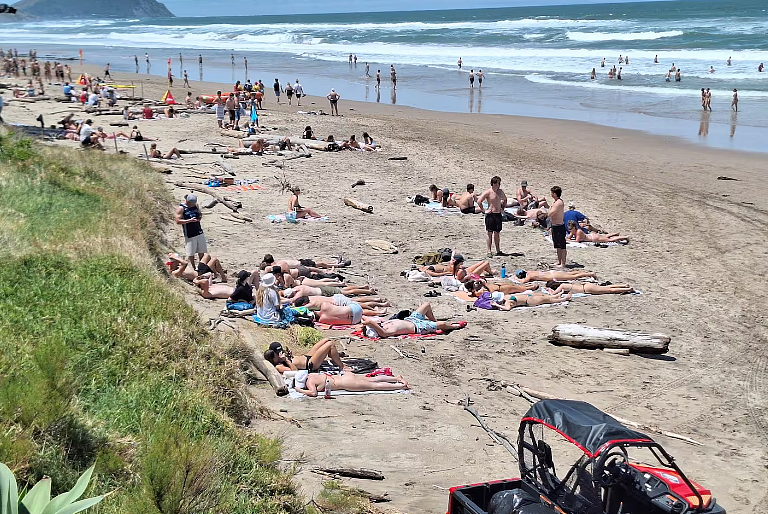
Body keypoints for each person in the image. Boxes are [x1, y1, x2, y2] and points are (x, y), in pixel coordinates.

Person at [361, 303, 466, 339]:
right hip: (418, 327)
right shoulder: (385, 331)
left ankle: (434, 325)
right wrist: (370, 323)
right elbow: (382, 334)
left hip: (411, 319)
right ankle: (454, 326)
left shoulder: (383, 324)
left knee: (426, 305)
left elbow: (365, 317)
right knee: (442, 324)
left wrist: (367, 322)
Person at [294, 369, 409, 397]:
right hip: (344, 375)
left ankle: (401, 385)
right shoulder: (312, 374)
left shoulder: (310, 382)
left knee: (374, 386)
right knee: (372, 379)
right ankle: (396, 379)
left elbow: (313, 393)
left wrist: (300, 390)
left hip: (345, 383)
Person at [264, 339, 347, 373]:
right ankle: (341, 366)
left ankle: (334, 355)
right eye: (278, 353)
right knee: (330, 344)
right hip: (310, 364)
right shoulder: (279, 366)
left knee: (327, 340)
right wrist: (287, 360)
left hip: (307, 356)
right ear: (273, 356)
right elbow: (295, 372)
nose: (280, 353)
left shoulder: (280, 358)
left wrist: (290, 355)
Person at [477, 176, 508, 257]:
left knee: (497, 233)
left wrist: (503, 208)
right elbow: (479, 201)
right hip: (490, 215)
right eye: (498, 183)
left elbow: (505, 199)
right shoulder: (488, 192)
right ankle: (489, 251)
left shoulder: (500, 192)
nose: (499, 185)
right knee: (489, 233)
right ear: (494, 183)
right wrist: (484, 210)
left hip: (498, 214)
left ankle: (498, 250)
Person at [175, 194, 206, 268]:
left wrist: (199, 218)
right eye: (191, 204)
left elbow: (200, 214)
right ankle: (193, 266)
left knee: (201, 250)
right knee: (191, 252)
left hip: (198, 230)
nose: (192, 205)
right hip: (189, 233)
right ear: (187, 201)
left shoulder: (196, 205)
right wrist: (189, 221)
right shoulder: (181, 208)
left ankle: (201, 266)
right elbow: (177, 221)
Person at [474, 290, 571, 310]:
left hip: (527, 296)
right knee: (547, 300)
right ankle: (563, 299)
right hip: (528, 301)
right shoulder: (507, 302)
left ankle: (557, 295)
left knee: (543, 295)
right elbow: (507, 309)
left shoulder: (506, 297)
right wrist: (497, 305)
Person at [546, 280, 635, 295]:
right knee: (608, 287)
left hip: (586, 289)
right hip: (585, 285)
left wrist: (549, 290)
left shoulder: (561, 286)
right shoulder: (563, 284)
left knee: (609, 290)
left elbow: (553, 294)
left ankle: (628, 289)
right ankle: (624, 285)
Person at [514, 269, 596, 283]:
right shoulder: (530, 272)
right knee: (570, 274)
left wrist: (517, 279)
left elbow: (524, 281)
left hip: (553, 276)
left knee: (573, 277)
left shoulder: (530, 276)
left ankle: (590, 274)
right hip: (552, 272)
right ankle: (587, 273)